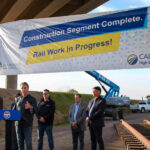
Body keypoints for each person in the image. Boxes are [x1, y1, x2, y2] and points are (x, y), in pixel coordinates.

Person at [13, 82, 37, 150]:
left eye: (24, 88)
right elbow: (14, 109)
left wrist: (30, 107)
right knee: (20, 144)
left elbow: (36, 110)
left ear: (28, 89)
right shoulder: (18, 99)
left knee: (28, 143)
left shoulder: (32, 99)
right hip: (18, 124)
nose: (23, 89)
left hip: (27, 125)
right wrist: (11, 115)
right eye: (22, 88)